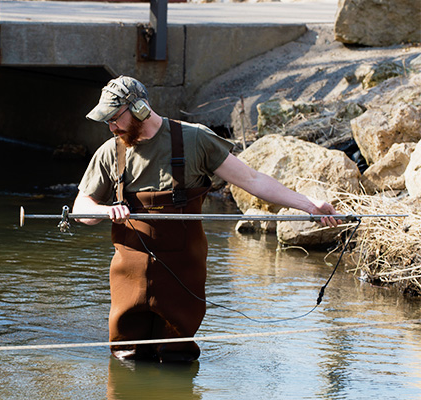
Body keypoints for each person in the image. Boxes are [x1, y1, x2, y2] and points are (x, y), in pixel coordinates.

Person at [73, 76, 339, 363]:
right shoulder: (110, 152)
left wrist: (308, 205)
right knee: (127, 357)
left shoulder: (195, 139)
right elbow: (80, 209)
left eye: (115, 118)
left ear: (139, 108)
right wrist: (104, 211)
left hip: (184, 270)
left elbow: (252, 180)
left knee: (178, 358)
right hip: (129, 273)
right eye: (107, 121)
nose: (111, 127)